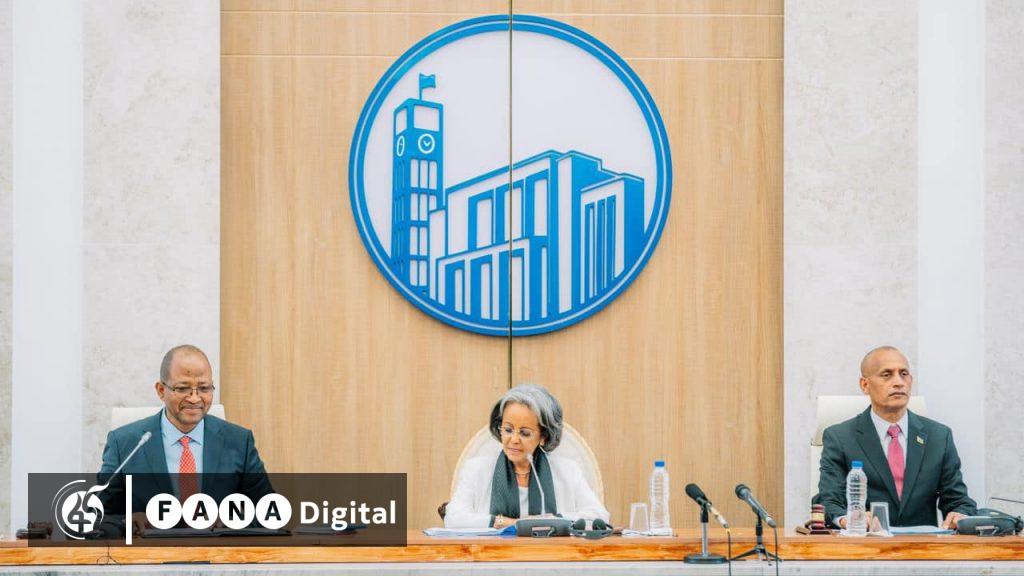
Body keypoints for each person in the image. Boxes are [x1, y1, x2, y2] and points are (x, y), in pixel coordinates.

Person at [97, 345, 272, 529]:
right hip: (150, 546)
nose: (195, 399)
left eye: (204, 388)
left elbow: (269, 512)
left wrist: (232, 519)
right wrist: (127, 522)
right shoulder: (124, 444)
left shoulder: (239, 441)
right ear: (161, 390)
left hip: (216, 546)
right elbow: (96, 517)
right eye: (182, 388)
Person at [817, 346, 976, 529]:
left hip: (923, 545)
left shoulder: (939, 437)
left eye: (904, 374)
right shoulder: (840, 437)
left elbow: (958, 500)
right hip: (867, 542)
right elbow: (829, 501)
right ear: (865, 385)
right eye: (886, 375)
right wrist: (849, 519)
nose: (899, 382)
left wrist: (960, 514)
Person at [444, 384, 610, 529]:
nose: (514, 440)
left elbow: (599, 516)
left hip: (552, 554)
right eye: (508, 430)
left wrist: (550, 521)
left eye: (524, 433)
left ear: (543, 436)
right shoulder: (476, 469)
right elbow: (453, 518)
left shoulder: (568, 470)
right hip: (490, 554)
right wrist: (508, 523)